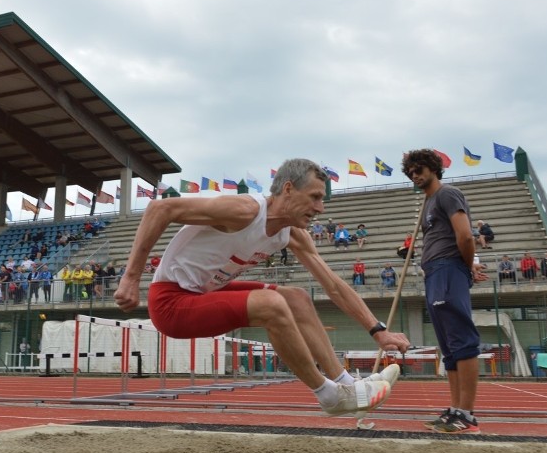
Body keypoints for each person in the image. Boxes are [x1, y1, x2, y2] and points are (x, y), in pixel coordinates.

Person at [114, 158, 409, 417]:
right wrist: (131, 278)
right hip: (171, 303)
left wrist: (378, 331)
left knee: (296, 297)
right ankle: (328, 395)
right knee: (272, 303)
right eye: (315, 197)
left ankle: (346, 386)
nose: (320, 208)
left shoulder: (292, 234)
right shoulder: (243, 211)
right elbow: (159, 208)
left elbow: (333, 285)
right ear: (289, 189)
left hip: (204, 295)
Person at [403, 149, 488, 434]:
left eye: (420, 169)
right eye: (411, 172)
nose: (415, 175)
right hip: (436, 273)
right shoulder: (428, 204)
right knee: (449, 347)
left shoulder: (447, 194)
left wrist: (466, 267)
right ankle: (454, 410)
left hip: (449, 269)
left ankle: (467, 414)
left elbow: (464, 235)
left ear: (434, 168)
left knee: (461, 341)